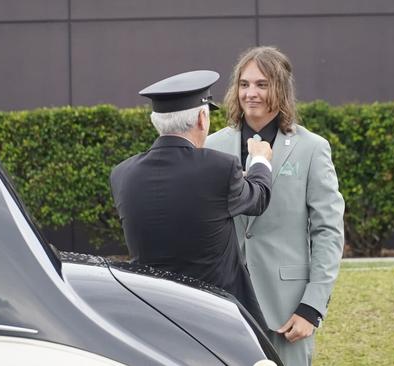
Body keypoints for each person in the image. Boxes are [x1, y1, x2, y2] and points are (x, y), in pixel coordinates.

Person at [205, 47, 345, 365]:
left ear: (280, 89)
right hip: (223, 307)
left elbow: (328, 232)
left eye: (261, 84)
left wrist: (311, 307)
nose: (250, 93)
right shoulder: (212, 147)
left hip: (287, 313)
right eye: (244, 84)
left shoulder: (312, 149)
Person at [110, 70, 273, 326]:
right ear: (201, 118)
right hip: (215, 314)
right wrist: (261, 159)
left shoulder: (122, 174)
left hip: (154, 311)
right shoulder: (220, 168)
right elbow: (258, 198)